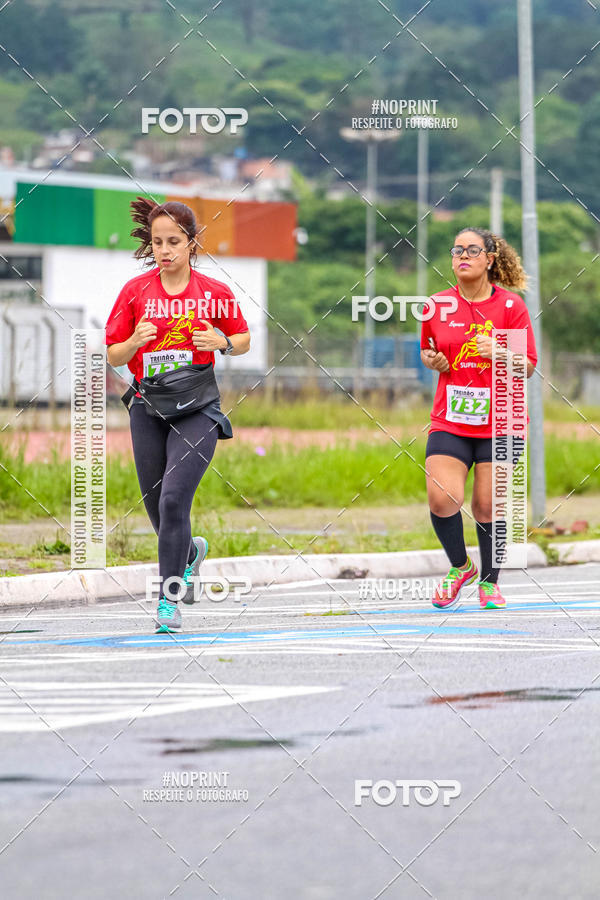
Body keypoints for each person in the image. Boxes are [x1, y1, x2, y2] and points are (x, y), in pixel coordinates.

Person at [105, 198, 250, 633]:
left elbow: (243, 340)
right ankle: (189, 554)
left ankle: (168, 602)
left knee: (173, 500)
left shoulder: (214, 292)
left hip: (197, 407)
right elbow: (113, 353)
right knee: (155, 507)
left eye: (174, 242)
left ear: (191, 243)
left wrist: (220, 342)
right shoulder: (135, 292)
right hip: (148, 405)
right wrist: (134, 342)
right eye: (158, 242)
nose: (165, 250)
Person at [420, 227, 537, 610]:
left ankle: (490, 582)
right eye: (457, 250)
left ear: (490, 259)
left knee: (488, 506)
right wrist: (433, 361)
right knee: (442, 498)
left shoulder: (510, 307)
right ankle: (461, 566)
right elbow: (429, 351)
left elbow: (528, 366)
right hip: (451, 419)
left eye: (472, 250)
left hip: (501, 419)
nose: (462, 256)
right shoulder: (437, 305)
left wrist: (500, 350)